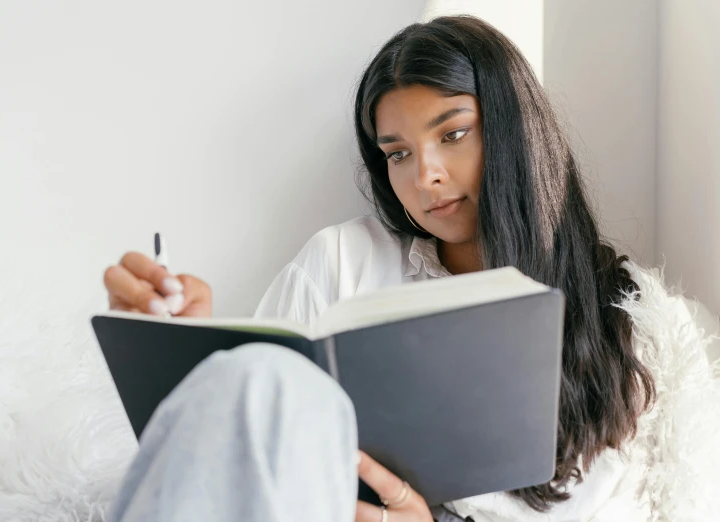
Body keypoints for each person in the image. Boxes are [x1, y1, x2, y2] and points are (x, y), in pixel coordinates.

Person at [101, 15, 720, 522]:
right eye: (397, 153)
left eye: (453, 135)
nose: (423, 177)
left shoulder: (639, 328)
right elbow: (239, 465)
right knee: (258, 377)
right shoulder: (343, 262)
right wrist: (196, 350)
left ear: (514, 131)